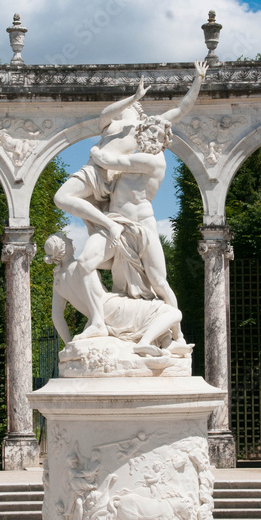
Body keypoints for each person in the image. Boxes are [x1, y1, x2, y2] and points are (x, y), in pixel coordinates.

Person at [53, 60, 207, 335]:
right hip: (114, 217)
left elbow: (180, 110)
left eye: (158, 132)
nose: (151, 131)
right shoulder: (126, 125)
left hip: (140, 225)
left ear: (163, 140)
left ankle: (177, 335)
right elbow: (106, 115)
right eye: (150, 129)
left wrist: (198, 80)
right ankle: (99, 322)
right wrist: (133, 98)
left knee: (159, 283)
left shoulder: (153, 160)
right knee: (87, 263)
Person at [44, 233, 183, 356]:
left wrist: (69, 344)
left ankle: (167, 345)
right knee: (173, 313)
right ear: (63, 247)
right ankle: (145, 342)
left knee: (156, 314)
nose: (70, 239)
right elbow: (115, 262)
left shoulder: (57, 282)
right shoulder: (83, 265)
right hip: (115, 308)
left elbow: (57, 317)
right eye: (66, 239)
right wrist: (115, 246)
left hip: (102, 317)